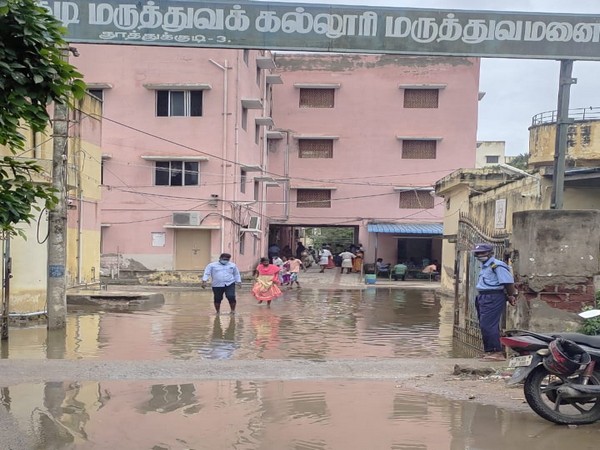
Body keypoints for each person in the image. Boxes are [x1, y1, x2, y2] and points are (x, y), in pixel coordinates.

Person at [472, 243, 518, 361]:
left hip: (493, 297)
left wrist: (511, 295)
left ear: (490, 253)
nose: (479, 255)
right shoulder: (485, 266)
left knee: (488, 325)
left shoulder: (497, 265)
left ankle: (497, 353)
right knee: (484, 325)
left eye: (482, 253)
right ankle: (489, 351)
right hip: (483, 297)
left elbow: (508, 282)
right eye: (477, 253)